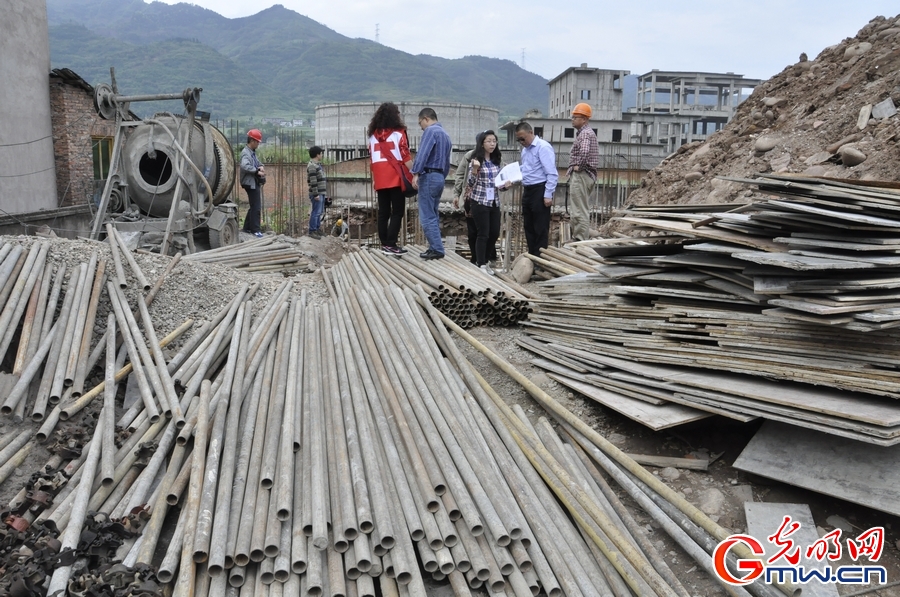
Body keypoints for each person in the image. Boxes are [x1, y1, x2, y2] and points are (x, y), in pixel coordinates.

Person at [367, 102, 413, 255]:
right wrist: (415, 173)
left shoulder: (373, 136)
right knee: (398, 211)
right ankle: (391, 244)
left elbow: (372, 160)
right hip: (395, 176)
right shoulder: (399, 133)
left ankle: (384, 243)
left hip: (380, 178)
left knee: (383, 212)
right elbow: (405, 156)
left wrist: (374, 178)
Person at [464, 130, 510, 275]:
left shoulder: (497, 161)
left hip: (494, 203)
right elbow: (470, 183)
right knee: (482, 233)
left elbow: (499, 185)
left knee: (494, 233)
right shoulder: (476, 161)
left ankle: (485, 260)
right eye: (489, 141)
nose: (492, 144)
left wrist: (506, 186)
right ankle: (481, 263)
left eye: (494, 141)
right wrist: (475, 170)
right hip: (480, 202)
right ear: (482, 144)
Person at [410, 108, 451, 260]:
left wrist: (416, 173)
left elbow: (422, 154)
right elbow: (447, 162)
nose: (421, 126)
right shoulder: (446, 135)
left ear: (426, 118)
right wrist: (441, 176)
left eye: (420, 122)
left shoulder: (430, 131)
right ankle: (434, 246)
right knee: (433, 213)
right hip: (439, 176)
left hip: (429, 175)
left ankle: (437, 248)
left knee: (426, 215)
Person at [515, 122, 558, 256]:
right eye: (519, 140)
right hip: (528, 190)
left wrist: (548, 194)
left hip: (540, 189)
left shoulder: (543, 147)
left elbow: (551, 172)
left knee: (540, 228)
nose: (522, 142)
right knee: (528, 226)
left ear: (531, 133)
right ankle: (532, 255)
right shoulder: (525, 150)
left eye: (523, 138)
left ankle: (540, 259)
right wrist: (512, 174)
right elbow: (526, 169)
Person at [567, 103, 599, 241]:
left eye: (576, 117)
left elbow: (584, 152)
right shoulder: (586, 133)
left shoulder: (585, 134)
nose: (572, 119)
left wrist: (578, 167)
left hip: (582, 175)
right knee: (578, 208)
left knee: (579, 209)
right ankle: (579, 236)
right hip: (585, 176)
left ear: (584, 119)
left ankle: (580, 238)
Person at [452, 147, 478, 263]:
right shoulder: (469, 156)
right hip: (470, 199)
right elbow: (460, 175)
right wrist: (456, 194)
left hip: (489, 202)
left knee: (488, 231)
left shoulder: (496, 157)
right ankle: (475, 258)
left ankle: (486, 257)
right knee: (473, 232)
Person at [240, 129, 266, 238]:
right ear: (252, 141)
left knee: (253, 206)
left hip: (253, 182)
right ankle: (255, 230)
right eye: (257, 142)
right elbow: (244, 166)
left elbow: (258, 162)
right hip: (250, 182)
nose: (258, 144)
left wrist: (261, 166)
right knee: (256, 207)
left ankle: (246, 228)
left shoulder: (252, 153)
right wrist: (256, 171)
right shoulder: (246, 153)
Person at [307, 146, 327, 237]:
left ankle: (317, 228)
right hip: (317, 193)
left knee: (319, 212)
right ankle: (312, 230)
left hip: (321, 192)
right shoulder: (312, 166)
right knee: (315, 212)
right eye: (321, 153)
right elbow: (313, 181)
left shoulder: (317, 165)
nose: (322, 155)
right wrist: (315, 194)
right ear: (317, 154)